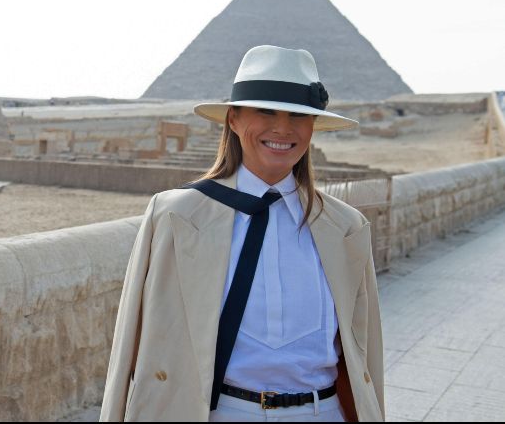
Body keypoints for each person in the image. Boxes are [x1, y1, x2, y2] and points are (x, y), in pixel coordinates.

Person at [99, 45, 384, 422]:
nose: (283, 128)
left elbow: (365, 353)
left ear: (313, 126)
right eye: (266, 111)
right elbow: (132, 344)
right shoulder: (177, 216)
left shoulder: (345, 227)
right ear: (233, 119)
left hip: (323, 412)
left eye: (298, 115)